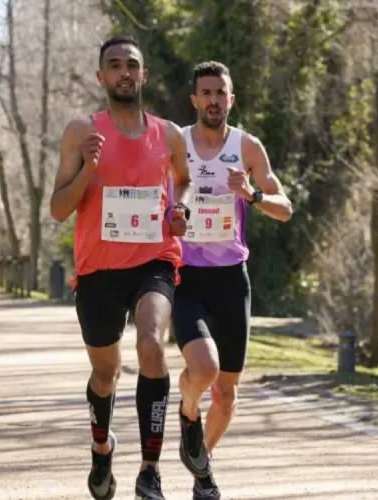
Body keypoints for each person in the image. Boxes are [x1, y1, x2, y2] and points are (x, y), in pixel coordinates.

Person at [49, 36, 193, 500]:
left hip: (154, 261)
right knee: (105, 372)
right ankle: (102, 447)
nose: (124, 72)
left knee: (152, 344)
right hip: (97, 271)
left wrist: (181, 211)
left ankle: (150, 468)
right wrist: (89, 170)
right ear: (101, 77)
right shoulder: (80, 133)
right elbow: (57, 209)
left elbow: (184, 182)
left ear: (144, 75)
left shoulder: (168, 134)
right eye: (114, 65)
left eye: (132, 64)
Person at [172, 61, 293, 500]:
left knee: (226, 394)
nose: (213, 100)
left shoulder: (247, 147)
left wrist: (253, 195)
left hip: (230, 280)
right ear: (194, 100)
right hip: (186, 276)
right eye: (205, 93)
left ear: (231, 99)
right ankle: (187, 411)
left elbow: (285, 207)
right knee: (203, 369)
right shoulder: (176, 143)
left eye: (221, 93)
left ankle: (200, 465)